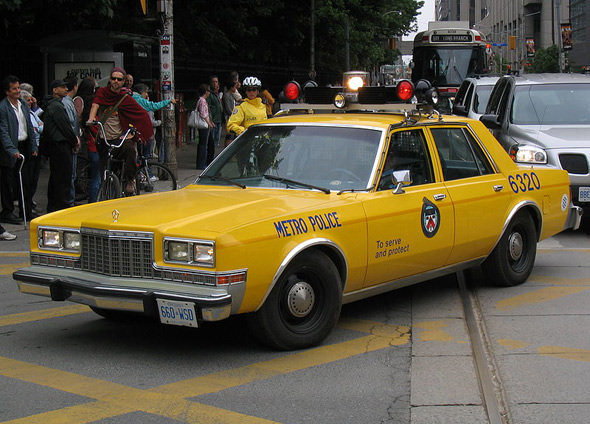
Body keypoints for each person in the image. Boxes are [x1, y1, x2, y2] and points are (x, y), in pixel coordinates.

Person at [87, 67, 153, 195]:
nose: (116, 81)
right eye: (113, 78)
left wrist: (136, 132)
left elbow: (141, 114)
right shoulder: (102, 92)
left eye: (119, 79)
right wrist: (91, 119)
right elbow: (95, 105)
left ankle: (129, 181)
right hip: (104, 137)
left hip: (119, 137)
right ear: (110, 80)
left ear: (123, 82)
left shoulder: (125, 98)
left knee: (130, 151)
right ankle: (106, 192)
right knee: (104, 168)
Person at [0, 75, 37, 224]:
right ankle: (7, 212)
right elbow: (3, 131)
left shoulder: (22, 103)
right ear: (7, 91)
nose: (17, 91)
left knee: (26, 181)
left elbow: (29, 125)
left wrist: (33, 145)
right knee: (8, 183)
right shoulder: (3, 107)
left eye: (18, 88)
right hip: (11, 148)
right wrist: (11, 150)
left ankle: (26, 211)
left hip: (24, 144)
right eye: (14, 89)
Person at [42, 79, 78, 213]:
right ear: (54, 90)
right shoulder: (56, 106)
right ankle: (60, 206)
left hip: (57, 145)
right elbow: (65, 126)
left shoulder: (55, 104)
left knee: (57, 177)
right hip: (60, 145)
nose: (65, 89)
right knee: (62, 177)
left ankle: (55, 205)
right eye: (62, 87)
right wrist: (74, 140)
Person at [131, 83, 176, 170]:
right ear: (142, 92)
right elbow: (153, 106)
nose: (147, 94)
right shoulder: (137, 99)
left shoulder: (132, 97)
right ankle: (145, 173)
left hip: (132, 130)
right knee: (143, 155)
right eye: (146, 92)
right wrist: (168, 101)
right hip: (137, 131)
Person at [77, 77, 100, 203]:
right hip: (92, 144)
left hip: (86, 141)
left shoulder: (79, 100)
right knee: (96, 176)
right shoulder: (91, 104)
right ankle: (93, 201)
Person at [20, 89, 43, 212]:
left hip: (37, 146)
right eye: (28, 100)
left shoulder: (32, 113)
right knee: (28, 180)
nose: (30, 102)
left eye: (31, 100)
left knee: (34, 179)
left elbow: (41, 126)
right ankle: (26, 206)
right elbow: (35, 129)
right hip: (29, 149)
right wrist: (39, 128)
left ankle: (29, 203)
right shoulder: (25, 114)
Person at [62, 76, 80, 206]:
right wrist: (75, 140)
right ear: (75, 87)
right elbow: (70, 125)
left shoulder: (68, 102)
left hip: (71, 141)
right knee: (70, 175)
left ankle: (70, 200)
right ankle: (70, 202)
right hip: (70, 142)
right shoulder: (67, 103)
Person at [195, 83, 214, 170]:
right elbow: (203, 114)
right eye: (208, 90)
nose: (209, 92)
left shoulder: (201, 100)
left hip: (205, 124)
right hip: (204, 125)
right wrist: (209, 123)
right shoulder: (202, 101)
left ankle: (202, 163)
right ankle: (201, 164)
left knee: (204, 144)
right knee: (203, 145)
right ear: (206, 91)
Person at [207, 75, 223, 155]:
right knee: (211, 142)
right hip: (213, 121)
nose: (215, 84)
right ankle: (210, 158)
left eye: (216, 82)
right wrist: (210, 120)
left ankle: (212, 157)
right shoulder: (209, 95)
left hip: (218, 120)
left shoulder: (217, 94)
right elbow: (208, 108)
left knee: (216, 141)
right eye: (213, 82)